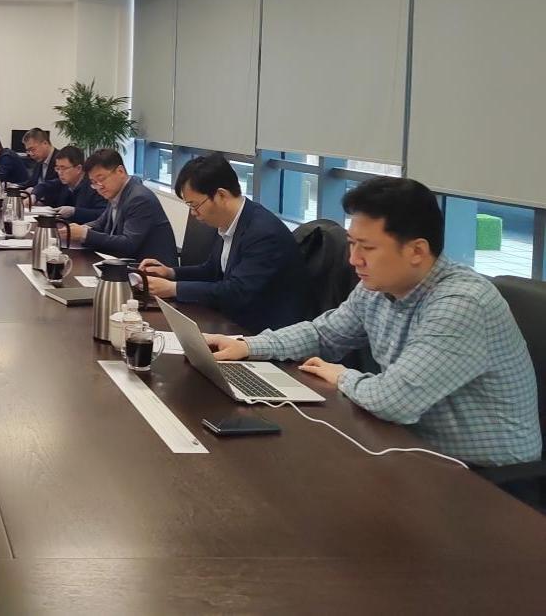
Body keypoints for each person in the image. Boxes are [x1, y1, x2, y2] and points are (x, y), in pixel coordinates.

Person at [205, 177, 541, 468]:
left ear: (417, 251)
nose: (354, 260)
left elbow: (393, 401)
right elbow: (324, 334)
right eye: (352, 244)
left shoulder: (461, 304)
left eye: (367, 248)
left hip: (487, 479)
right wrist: (247, 346)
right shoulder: (379, 287)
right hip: (413, 446)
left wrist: (343, 375)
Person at [140, 153, 307, 333]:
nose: (193, 213)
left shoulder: (263, 233)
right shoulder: (231, 222)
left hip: (263, 331)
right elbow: (212, 270)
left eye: (194, 205)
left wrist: (173, 289)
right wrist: (170, 273)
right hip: (232, 319)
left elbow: (237, 291)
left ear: (221, 195)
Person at [68, 149, 177, 264]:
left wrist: (85, 234)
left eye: (101, 179)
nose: (99, 187)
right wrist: (79, 229)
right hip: (127, 263)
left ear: (120, 171)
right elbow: (101, 223)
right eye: (94, 182)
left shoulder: (139, 199)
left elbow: (128, 244)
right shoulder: (117, 191)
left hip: (151, 269)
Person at [42, 145, 107, 223]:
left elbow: (103, 214)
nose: (59, 173)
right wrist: (35, 195)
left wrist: (75, 211)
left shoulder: (94, 185)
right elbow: (45, 186)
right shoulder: (64, 182)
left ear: (78, 168)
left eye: (63, 168)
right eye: (57, 168)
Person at [21, 127, 61, 203]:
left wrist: (35, 192)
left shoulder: (60, 159)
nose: (31, 154)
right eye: (28, 151)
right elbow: (30, 183)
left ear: (45, 143)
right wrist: (13, 187)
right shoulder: (40, 160)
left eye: (33, 149)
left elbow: (59, 184)